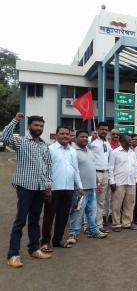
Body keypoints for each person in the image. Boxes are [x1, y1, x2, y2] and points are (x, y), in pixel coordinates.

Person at [1, 113, 52, 268]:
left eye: (41, 126)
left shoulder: (44, 145)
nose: (39, 128)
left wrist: (48, 185)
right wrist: (15, 119)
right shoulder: (21, 141)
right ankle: (13, 254)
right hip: (25, 188)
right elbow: (4, 137)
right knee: (20, 220)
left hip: (40, 189)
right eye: (36, 125)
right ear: (29, 126)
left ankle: (34, 249)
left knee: (35, 220)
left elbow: (48, 167)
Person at [41, 126, 83, 251]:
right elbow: (45, 170)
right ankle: (45, 242)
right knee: (49, 217)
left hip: (68, 188)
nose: (65, 136)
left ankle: (57, 240)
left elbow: (75, 170)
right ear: (57, 135)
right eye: (62, 133)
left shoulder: (72, 151)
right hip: (53, 188)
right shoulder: (50, 149)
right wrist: (47, 186)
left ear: (70, 136)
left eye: (67, 134)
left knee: (63, 216)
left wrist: (80, 186)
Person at [67, 130, 108, 245]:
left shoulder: (89, 151)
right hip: (80, 189)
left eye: (86, 137)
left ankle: (93, 230)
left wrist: (97, 182)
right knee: (77, 211)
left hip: (92, 187)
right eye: (82, 137)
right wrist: (77, 186)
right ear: (76, 138)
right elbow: (72, 170)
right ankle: (73, 233)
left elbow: (92, 167)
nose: (84, 139)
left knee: (92, 211)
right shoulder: (72, 151)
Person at [109, 134, 137, 232]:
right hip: (119, 183)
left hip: (131, 182)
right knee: (117, 205)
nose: (131, 142)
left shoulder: (132, 153)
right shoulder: (115, 152)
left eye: (131, 140)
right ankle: (116, 224)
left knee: (130, 204)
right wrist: (112, 182)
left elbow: (135, 168)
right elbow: (110, 168)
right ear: (122, 141)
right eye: (128, 140)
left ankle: (126, 223)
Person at [89, 122, 111, 232]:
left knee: (101, 201)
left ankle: (99, 224)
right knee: (92, 200)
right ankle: (88, 225)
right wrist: (91, 139)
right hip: (95, 173)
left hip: (105, 173)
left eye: (106, 130)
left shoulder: (107, 142)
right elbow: (82, 146)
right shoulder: (91, 140)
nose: (104, 131)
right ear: (97, 129)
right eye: (102, 129)